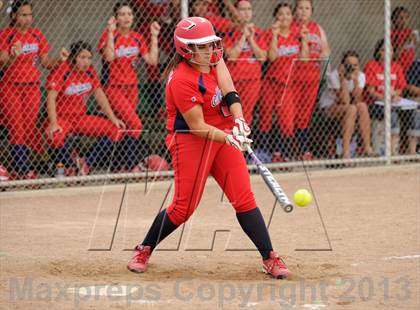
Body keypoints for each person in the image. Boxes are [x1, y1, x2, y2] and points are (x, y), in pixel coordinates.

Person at [127, 17, 290, 279]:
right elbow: (196, 125)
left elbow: (230, 91)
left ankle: (269, 257)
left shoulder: (212, 58)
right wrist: (229, 137)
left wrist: (238, 119)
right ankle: (144, 249)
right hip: (191, 139)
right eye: (202, 46)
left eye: (211, 44)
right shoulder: (181, 79)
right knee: (183, 208)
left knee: (244, 198)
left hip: (223, 132)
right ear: (185, 50)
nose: (210, 50)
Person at [0, 0, 68, 179]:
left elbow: (46, 63)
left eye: (30, 14)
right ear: (14, 16)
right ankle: (24, 171)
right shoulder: (7, 35)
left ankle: (23, 168)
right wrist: (13, 55)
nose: (28, 18)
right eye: (23, 15)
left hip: (32, 87)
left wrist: (59, 61)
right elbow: (3, 62)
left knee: (29, 126)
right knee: (16, 128)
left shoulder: (36, 34)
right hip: (10, 87)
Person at [45, 41, 125, 176]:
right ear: (73, 58)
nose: (86, 61)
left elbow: (99, 94)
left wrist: (113, 118)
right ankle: (70, 166)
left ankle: (86, 164)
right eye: (82, 57)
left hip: (81, 118)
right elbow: (51, 98)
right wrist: (53, 123)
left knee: (116, 130)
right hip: (62, 118)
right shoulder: (63, 70)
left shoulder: (90, 71)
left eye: (89, 58)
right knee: (55, 136)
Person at [98, 1, 160, 172]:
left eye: (129, 14)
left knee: (125, 127)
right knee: (136, 124)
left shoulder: (137, 37)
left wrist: (154, 36)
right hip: (114, 87)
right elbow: (109, 57)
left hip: (132, 87)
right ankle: (132, 166)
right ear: (116, 18)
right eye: (122, 14)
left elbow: (152, 60)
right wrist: (110, 33)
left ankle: (119, 166)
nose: (126, 18)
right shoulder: (109, 35)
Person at [259, 2, 308, 161]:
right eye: (281, 14)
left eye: (288, 14)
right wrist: (274, 35)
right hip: (270, 82)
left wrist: (305, 39)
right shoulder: (269, 33)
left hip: (287, 84)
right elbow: (272, 57)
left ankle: (282, 154)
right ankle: (265, 153)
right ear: (276, 17)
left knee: (287, 122)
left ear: (292, 17)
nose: (285, 17)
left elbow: (305, 59)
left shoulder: (296, 33)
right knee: (266, 118)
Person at [292, 0, 330, 160]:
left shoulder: (317, 28)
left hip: (312, 77)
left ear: (311, 11)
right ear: (295, 10)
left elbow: (326, 49)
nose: (303, 11)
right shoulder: (291, 26)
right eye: (300, 8)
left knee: (305, 114)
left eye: (307, 8)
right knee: (291, 114)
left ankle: (304, 150)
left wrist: (323, 54)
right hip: (294, 77)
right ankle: (289, 150)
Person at [319, 51, 374, 158]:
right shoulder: (334, 75)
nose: (352, 68)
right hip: (330, 107)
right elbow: (344, 101)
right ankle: (346, 151)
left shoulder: (360, 76)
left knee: (362, 106)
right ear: (343, 65)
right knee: (352, 108)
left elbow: (358, 99)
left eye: (355, 65)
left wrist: (356, 80)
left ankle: (367, 147)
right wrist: (342, 79)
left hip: (349, 108)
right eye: (349, 65)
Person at [224, 0, 267, 124]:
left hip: (252, 79)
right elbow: (231, 55)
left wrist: (251, 38)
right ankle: (230, 142)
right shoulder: (229, 31)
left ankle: (242, 142)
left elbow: (262, 57)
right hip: (234, 80)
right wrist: (243, 36)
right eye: (242, 10)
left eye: (249, 9)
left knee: (246, 115)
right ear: (235, 12)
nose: (246, 13)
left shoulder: (257, 32)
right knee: (230, 114)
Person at [365, 39, 407, 155]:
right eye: (384, 50)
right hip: (376, 104)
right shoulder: (372, 65)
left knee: (414, 113)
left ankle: (412, 150)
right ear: (378, 52)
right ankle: (392, 152)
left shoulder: (396, 67)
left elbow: (400, 88)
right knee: (392, 114)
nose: (387, 52)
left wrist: (395, 95)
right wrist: (385, 98)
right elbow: (371, 91)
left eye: (390, 50)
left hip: (393, 102)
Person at [391, 6, 417, 74]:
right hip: (399, 66)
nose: (404, 20)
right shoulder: (392, 34)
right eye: (400, 18)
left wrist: (415, 40)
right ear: (394, 20)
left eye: (406, 17)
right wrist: (406, 41)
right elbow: (395, 56)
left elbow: (416, 45)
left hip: (411, 65)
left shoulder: (412, 32)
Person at [405, 59, 420, 154]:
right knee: (417, 108)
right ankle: (413, 152)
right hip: (416, 99)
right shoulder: (416, 65)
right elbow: (410, 88)